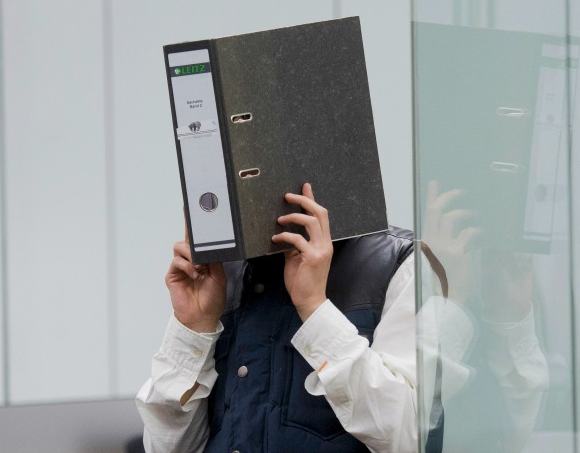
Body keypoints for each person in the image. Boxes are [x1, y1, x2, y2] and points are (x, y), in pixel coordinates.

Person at [136, 182, 548, 453]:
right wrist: (193, 328)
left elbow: (407, 435)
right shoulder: (228, 276)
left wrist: (314, 308)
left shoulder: (399, 264)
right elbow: (166, 447)